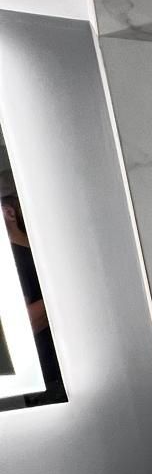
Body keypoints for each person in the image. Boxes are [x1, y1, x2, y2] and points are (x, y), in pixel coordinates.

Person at [1, 172, 64, 404]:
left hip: (62, 378)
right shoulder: (11, 261)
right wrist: (65, 295)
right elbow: (23, 326)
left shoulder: (39, 255)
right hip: (52, 383)